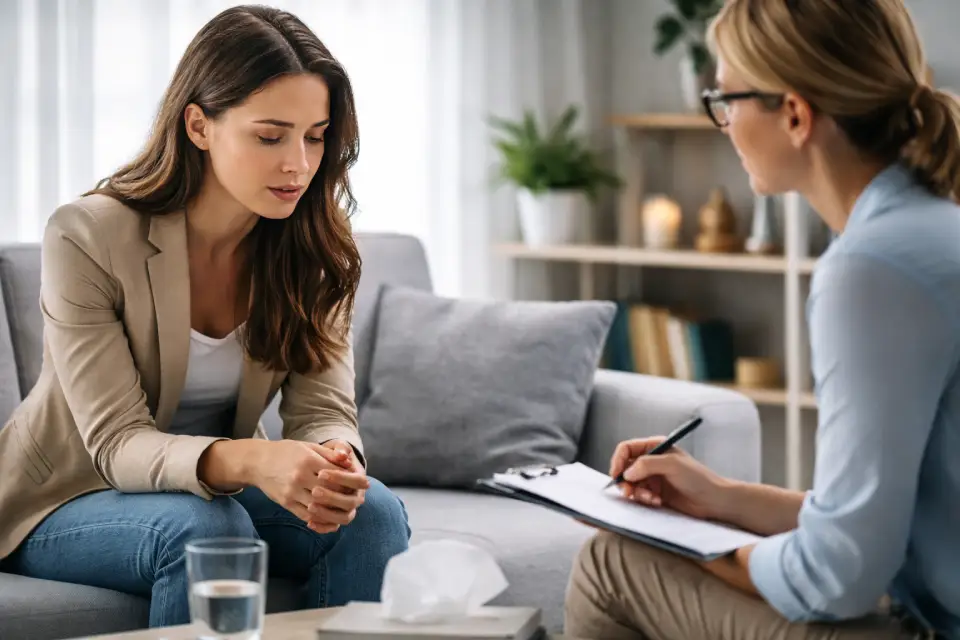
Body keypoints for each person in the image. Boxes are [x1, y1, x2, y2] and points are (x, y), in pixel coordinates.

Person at [0, 4, 411, 628]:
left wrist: (333, 459)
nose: (299, 163)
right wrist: (253, 461)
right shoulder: (88, 234)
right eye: (270, 136)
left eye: (316, 135)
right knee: (206, 524)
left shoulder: (313, 246)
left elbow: (324, 410)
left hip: (210, 491)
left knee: (372, 512)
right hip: (67, 495)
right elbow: (117, 443)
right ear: (199, 125)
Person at [564, 1, 960, 639]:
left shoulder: (871, 271)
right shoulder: (931, 230)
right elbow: (879, 525)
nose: (722, 122)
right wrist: (718, 498)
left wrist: (685, 542)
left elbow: (840, 574)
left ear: (796, 114)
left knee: (614, 562)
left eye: (726, 99)